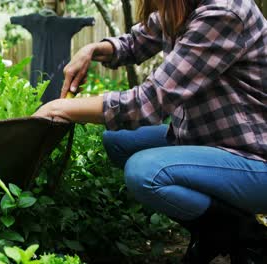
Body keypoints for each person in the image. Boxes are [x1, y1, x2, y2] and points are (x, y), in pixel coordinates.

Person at [33, 0, 267, 263]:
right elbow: (136, 42)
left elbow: (147, 103)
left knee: (146, 172)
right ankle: (216, 229)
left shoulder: (223, 14)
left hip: (253, 159)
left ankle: (249, 238)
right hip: (208, 138)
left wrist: (62, 107)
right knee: (118, 141)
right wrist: (93, 49)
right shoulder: (186, 7)